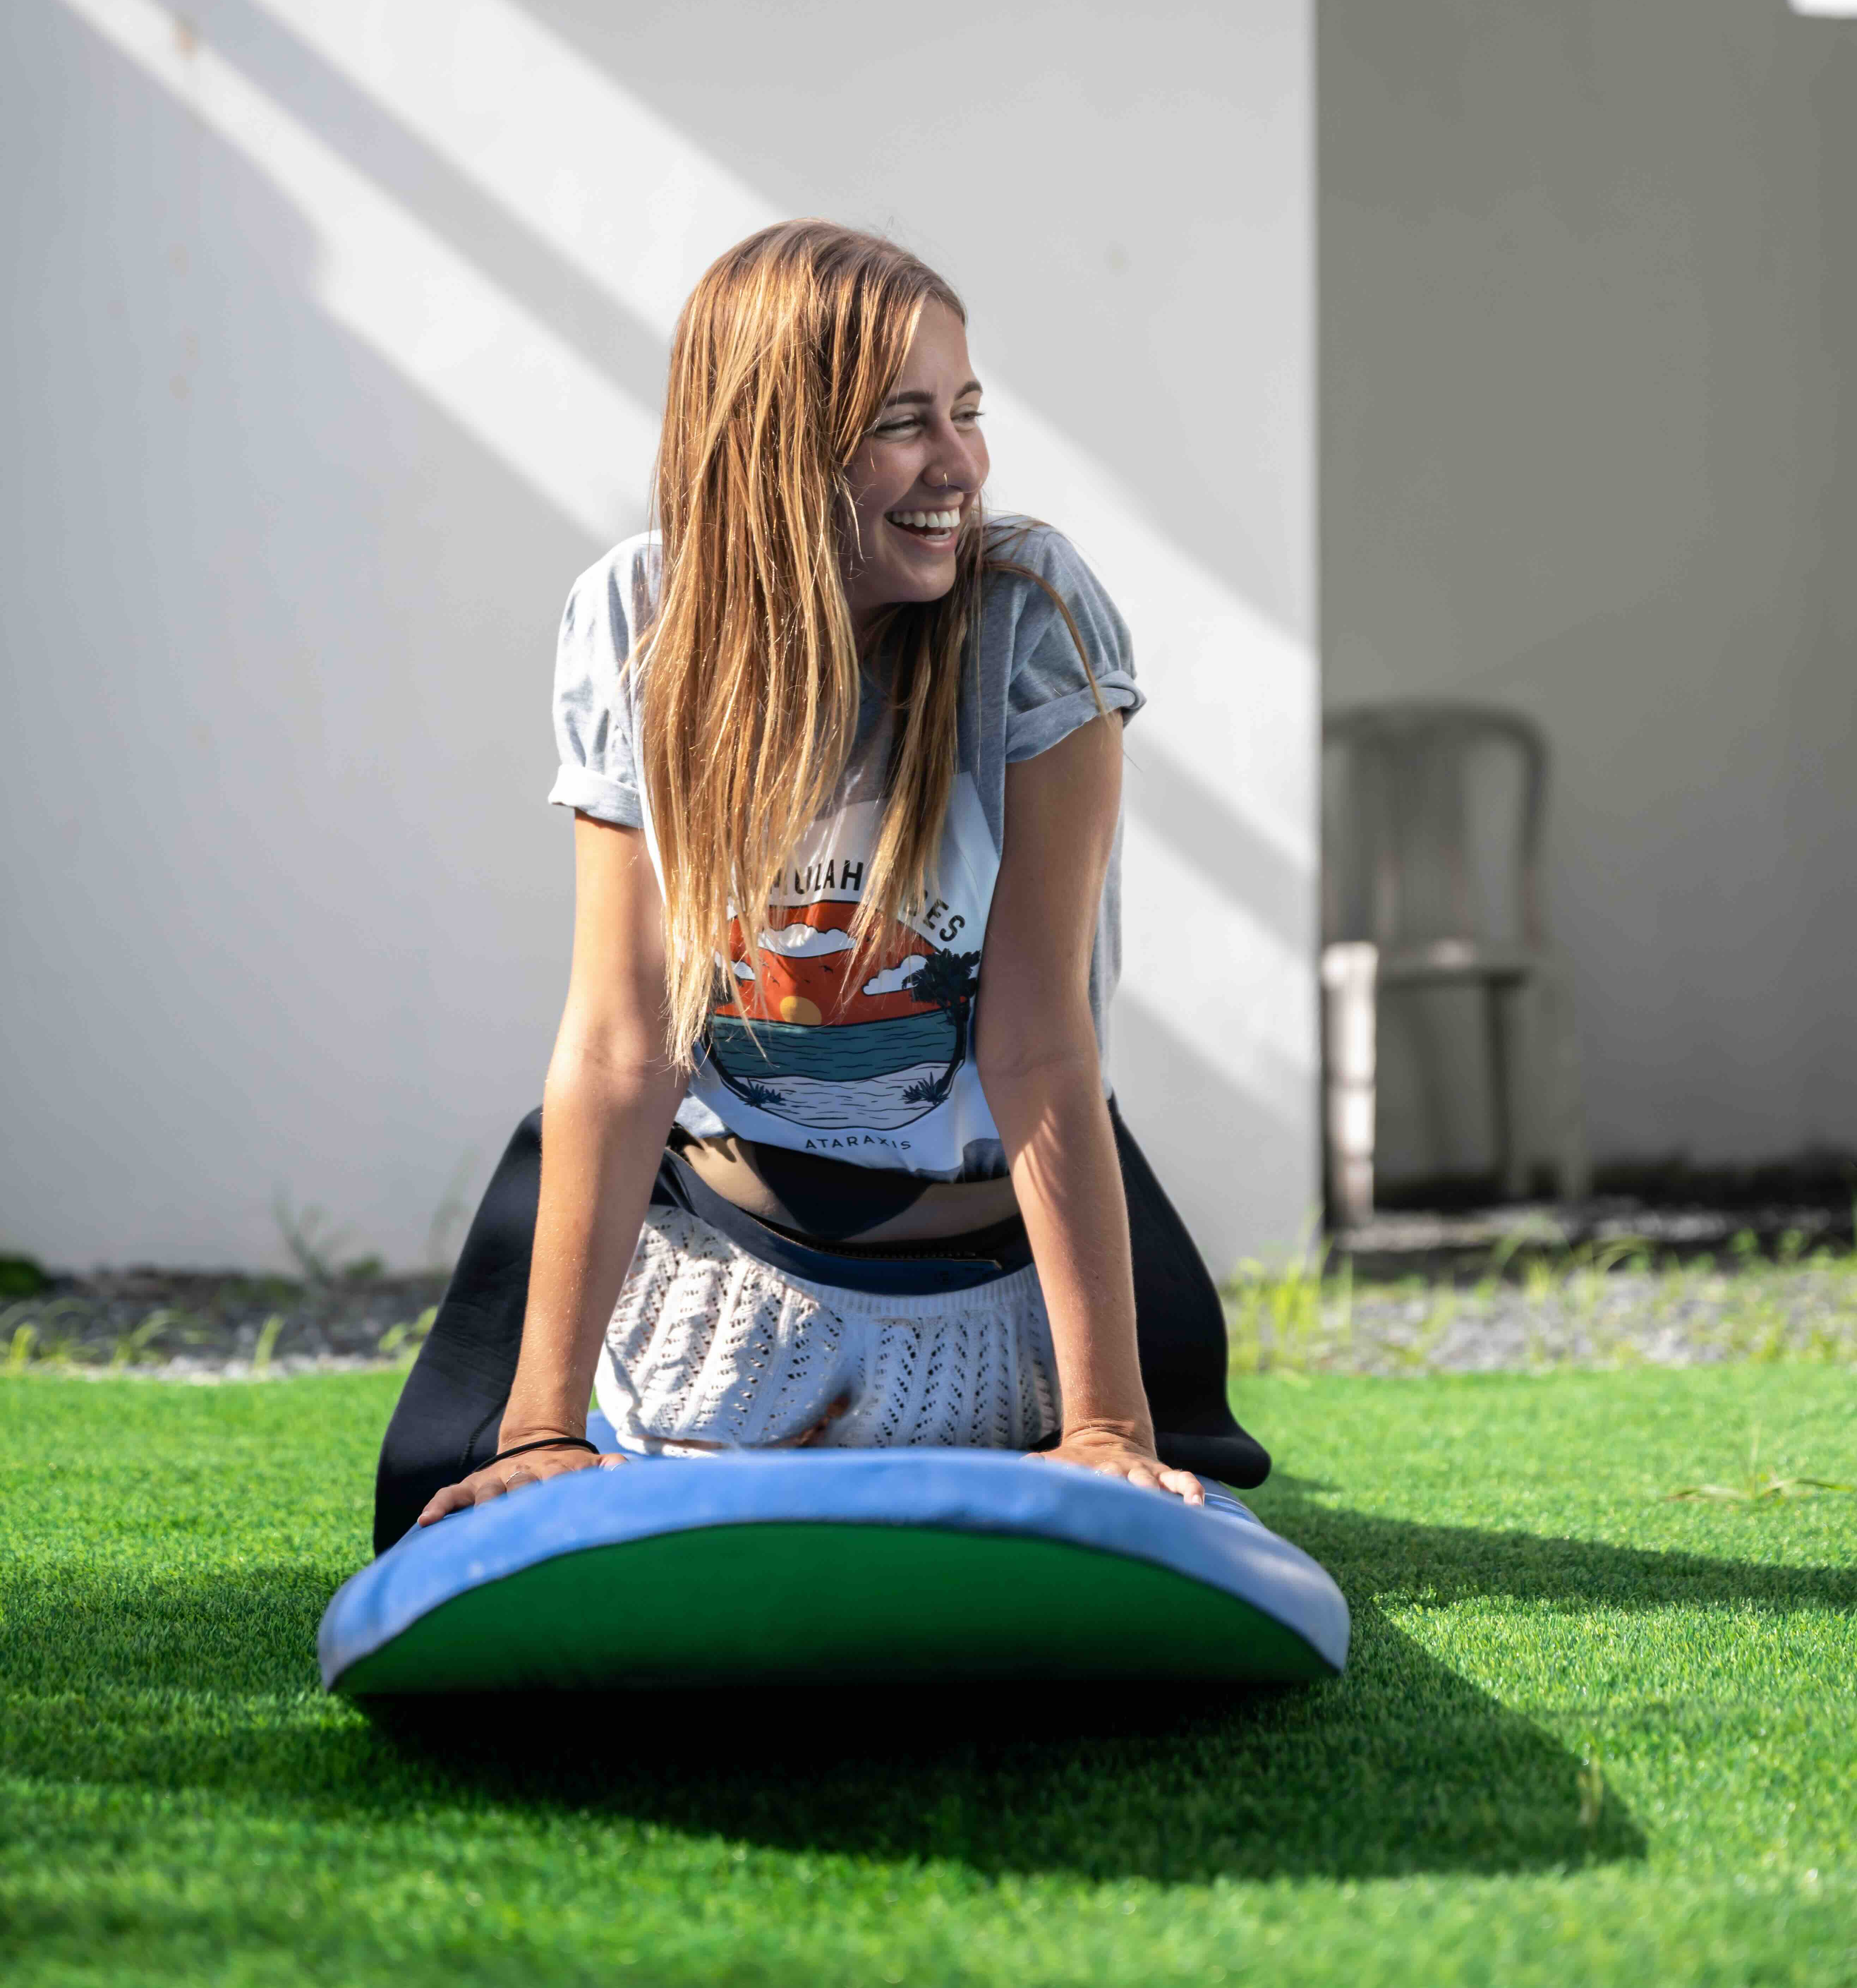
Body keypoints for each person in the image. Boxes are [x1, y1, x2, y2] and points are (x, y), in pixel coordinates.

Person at [373, 220, 1269, 1555]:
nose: (960, 464)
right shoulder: (633, 615)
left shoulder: (1027, 611)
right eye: (904, 423)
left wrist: (1103, 1425)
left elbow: (1037, 1040)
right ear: (773, 443)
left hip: (989, 1298)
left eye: (968, 412)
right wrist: (541, 1428)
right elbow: (623, 1043)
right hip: (723, 1304)